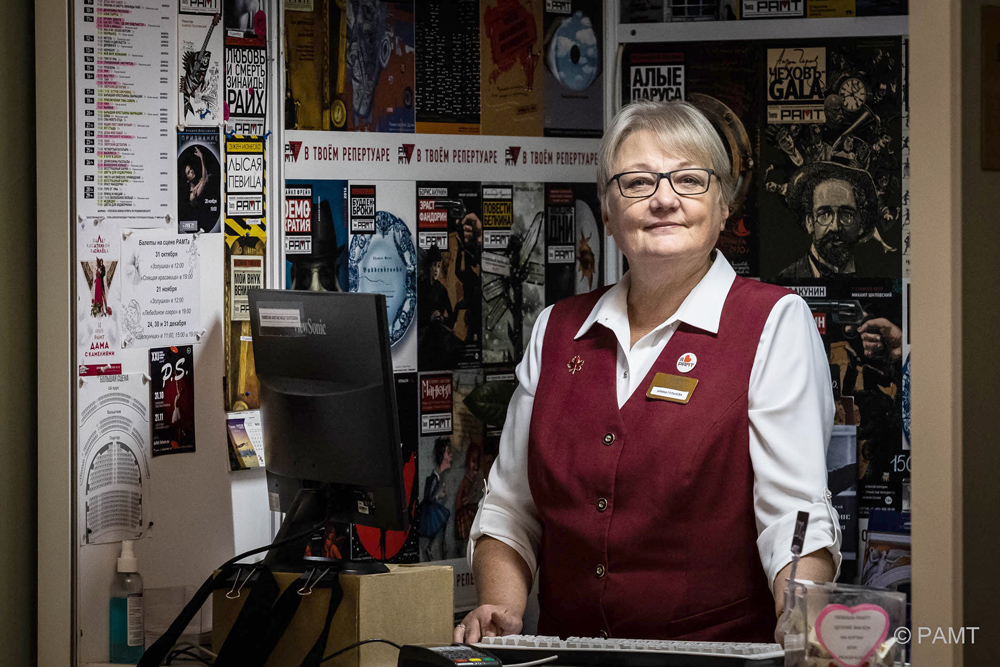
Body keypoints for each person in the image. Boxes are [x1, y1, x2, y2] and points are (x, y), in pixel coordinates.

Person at [457, 100, 840, 645]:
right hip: (568, 660)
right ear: (607, 212)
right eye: (637, 182)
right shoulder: (556, 329)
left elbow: (794, 516)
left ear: (723, 205)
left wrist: (801, 622)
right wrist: (499, 608)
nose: (664, 199)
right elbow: (509, 508)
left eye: (690, 179)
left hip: (715, 659)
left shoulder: (774, 322)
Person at [777, 160, 878, 279]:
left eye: (847, 215)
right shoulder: (784, 278)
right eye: (824, 214)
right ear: (809, 222)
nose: (835, 227)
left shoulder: (872, 278)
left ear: (861, 223)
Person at [419, 438, 453, 562]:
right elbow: (429, 497)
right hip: (429, 513)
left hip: (433, 512)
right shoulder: (434, 478)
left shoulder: (439, 477)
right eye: (448, 453)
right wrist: (439, 495)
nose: (451, 456)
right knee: (427, 543)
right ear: (442, 456)